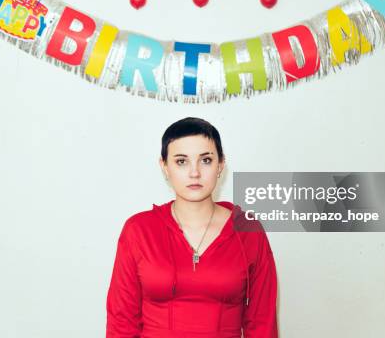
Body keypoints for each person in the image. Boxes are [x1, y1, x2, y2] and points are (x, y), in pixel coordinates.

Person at [106, 117, 278, 337]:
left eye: (205, 160)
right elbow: (122, 321)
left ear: (221, 165)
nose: (194, 173)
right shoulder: (138, 230)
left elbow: (262, 324)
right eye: (181, 161)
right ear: (165, 167)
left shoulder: (248, 231)